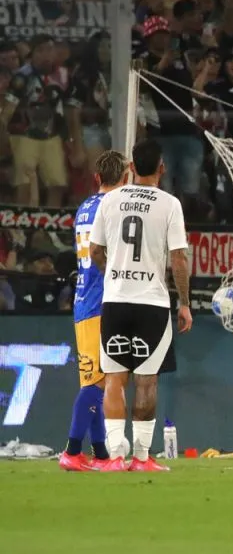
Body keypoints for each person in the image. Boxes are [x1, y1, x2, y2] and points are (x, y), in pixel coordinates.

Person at [88, 139, 193, 472]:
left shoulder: (110, 200)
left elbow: (94, 252)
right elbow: (178, 257)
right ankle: (142, 458)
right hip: (151, 302)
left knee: (114, 378)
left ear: (131, 168)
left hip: (116, 300)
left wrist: (113, 277)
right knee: (147, 381)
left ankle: (114, 456)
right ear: (161, 168)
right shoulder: (170, 204)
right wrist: (185, 304)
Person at [58, 151, 130, 472]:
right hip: (104, 301)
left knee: (96, 381)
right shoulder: (115, 209)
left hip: (83, 301)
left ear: (97, 178)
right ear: (125, 178)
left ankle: (100, 454)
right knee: (98, 385)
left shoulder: (84, 207)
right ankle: (72, 451)